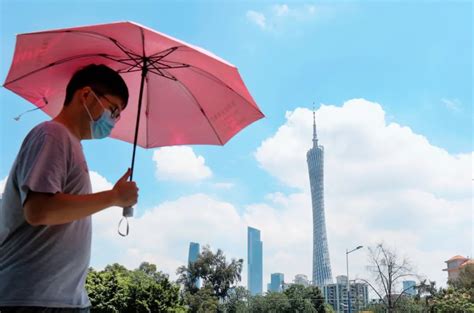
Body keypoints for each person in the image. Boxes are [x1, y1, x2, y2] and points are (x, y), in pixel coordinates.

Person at [0, 64, 139, 313]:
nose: (114, 121)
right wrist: (114, 197)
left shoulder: (70, 144)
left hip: (64, 299)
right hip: (36, 300)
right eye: (113, 109)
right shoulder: (52, 135)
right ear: (86, 95)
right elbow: (39, 211)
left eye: (118, 115)